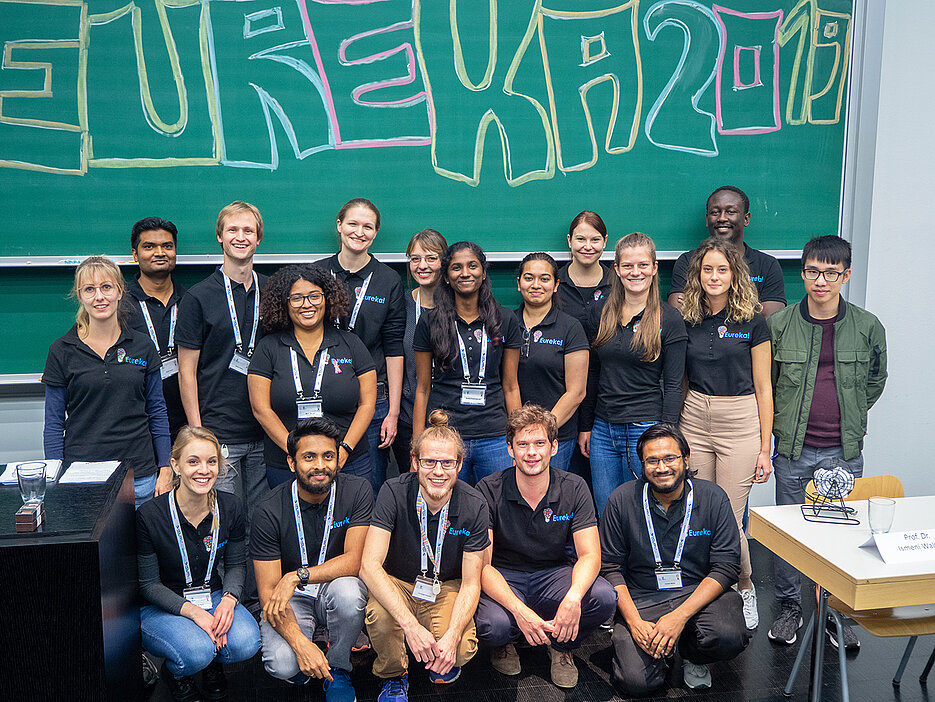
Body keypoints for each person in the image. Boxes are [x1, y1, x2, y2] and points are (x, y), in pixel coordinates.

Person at [767, 235, 887, 651]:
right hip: (793, 449)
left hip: (843, 450)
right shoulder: (779, 324)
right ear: (802, 274)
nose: (821, 281)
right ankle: (788, 609)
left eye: (831, 273)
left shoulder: (867, 325)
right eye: (813, 271)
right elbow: (768, 382)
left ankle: (833, 612)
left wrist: (851, 416)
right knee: (791, 533)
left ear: (846, 276)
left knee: (840, 536)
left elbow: (876, 379)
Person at [600, 423, 750, 696]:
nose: (662, 467)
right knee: (636, 683)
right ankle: (655, 651)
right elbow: (609, 568)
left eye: (670, 458)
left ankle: (693, 655)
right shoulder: (621, 500)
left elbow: (727, 566)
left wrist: (678, 617)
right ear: (642, 465)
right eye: (652, 460)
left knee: (728, 636)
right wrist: (634, 623)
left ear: (686, 459)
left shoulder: (713, 497)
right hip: (643, 597)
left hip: (698, 591)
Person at [475, 405, 616, 688]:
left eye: (539, 443)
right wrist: (519, 610)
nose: (531, 452)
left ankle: (560, 647)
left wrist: (574, 597)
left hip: (554, 575)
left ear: (553, 447)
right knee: (493, 625)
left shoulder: (574, 487)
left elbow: (590, 554)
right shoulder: (488, 489)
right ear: (509, 449)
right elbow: (482, 565)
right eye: (522, 444)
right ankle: (506, 643)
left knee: (604, 597)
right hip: (506, 577)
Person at [360, 411, 489, 702]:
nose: (438, 472)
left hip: (446, 586)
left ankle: (438, 654)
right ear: (415, 462)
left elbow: (471, 583)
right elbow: (369, 566)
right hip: (399, 582)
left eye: (447, 463)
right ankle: (394, 675)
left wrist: (453, 634)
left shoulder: (475, 505)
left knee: (460, 649)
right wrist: (410, 625)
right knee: (380, 618)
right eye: (429, 462)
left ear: (459, 465)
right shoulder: (393, 491)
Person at [677, 238, 773, 630]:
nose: (714, 277)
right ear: (697, 275)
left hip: (740, 421)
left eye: (722, 269)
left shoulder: (753, 320)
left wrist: (765, 448)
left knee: (730, 519)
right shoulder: (686, 319)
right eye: (707, 270)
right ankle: (705, 593)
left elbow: (765, 387)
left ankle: (745, 585)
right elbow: (682, 379)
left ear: (734, 275)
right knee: (697, 510)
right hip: (695, 417)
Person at [251, 418, 372, 702]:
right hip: (291, 599)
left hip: (329, 586)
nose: (320, 465)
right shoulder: (268, 510)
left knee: (350, 592)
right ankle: (311, 653)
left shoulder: (357, 491)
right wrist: (300, 644)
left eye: (328, 456)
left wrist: (297, 575)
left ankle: (339, 667)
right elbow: (269, 593)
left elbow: (354, 561)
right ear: (292, 464)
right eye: (309, 457)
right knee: (283, 664)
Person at [137, 426, 261, 702]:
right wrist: (194, 613)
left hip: (213, 594)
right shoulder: (149, 515)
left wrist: (229, 599)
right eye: (193, 461)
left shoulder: (231, 507)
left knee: (247, 643)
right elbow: (148, 585)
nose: (203, 470)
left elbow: (236, 565)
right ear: (175, 465)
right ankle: (178, 674)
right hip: (163, 604)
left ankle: (210, 664)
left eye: (211, 461)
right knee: (196, 651)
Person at [42, 255, 171, 508]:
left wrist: (165, 467)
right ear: (79, 296)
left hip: (141, 477)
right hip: (83, 478)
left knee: (143, 548)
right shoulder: (61, 350)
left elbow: (157, 410)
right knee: (91, 550)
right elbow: (54, 423)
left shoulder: (142, 346)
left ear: (120, 291)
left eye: (106, 287)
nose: (99, 297)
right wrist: (54, 474)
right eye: (89, 289)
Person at [579, 233, 687, 516]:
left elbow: (674, 385)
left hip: (646, 427)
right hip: (603, 430)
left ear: (654, 268)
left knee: (642, 512)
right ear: (616, 269)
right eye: (627, 266)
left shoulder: (670, 319)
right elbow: (592, 373)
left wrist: (666, 435)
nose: (635, 272)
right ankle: (612, 563)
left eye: (642, 265)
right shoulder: (599, 312)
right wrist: (586, 425)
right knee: (606, 510)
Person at [176, 201, 269, 532]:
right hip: (218, 434)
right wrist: (199, 435)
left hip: (265, 431)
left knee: (263, 526)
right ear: (219, 236)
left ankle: (264, 587)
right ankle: (228, 586)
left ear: (259, 238)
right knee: (222, 526)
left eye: (248, 230)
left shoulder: (272, 291)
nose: (240, 237)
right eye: (233, 230)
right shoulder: (198, 297)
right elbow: (186, 372)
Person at [248, 264, 377, 487]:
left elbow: (367, 404)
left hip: (349, 461)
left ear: (327, 298)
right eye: (296, 298)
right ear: (284, 304)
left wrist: (344, 449)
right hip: (287, 463)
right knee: (291, 521)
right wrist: (295, 452)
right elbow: (261, 409)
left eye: (314, 296)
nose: (307, 305)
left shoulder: (351, 343)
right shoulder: (268, 348)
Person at [413, 241, 523, 484]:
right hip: (445, 436)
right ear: (447, 277)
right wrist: (418, 445)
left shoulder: (505, 319)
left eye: (472, 266)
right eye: (456, 268)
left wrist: (517, 440)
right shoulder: (429, 322)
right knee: (447, 509)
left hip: (494, 435)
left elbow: (511, 386)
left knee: (497, 508)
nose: (465, 273)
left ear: (483, 273)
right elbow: (422, 388)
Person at [319, 198, 405, 496]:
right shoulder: (314, 274)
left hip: (372, 402)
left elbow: (394, 348)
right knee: (321, 484)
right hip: (322, 398)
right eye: (353, 224)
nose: (359, 232)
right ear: (339, 226)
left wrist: (392, 412)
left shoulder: (389, 280)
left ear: (376, 232)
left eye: (367, 226)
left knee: (368, 488)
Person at [514, 253, 589, 471]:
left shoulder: (570, 327)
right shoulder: (505, 323)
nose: (536, 285)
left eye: (544, 279)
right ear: (518, 284)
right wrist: (520, 432)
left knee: (552, 500)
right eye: (528, 278)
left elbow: (577, 392)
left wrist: (541, 432)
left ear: (556, 285)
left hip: (556, 437)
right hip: (512, 435)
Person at [668, 186, 786, 318]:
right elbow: (678, 316)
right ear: (707, 219)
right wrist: (749, 308)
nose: (722, 218)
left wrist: (698, 304)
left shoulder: (767, 265)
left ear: (746, 219)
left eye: (731, 212)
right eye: (715, 212)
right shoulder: (687, 262)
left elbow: (769, 319)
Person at [125, 216, 188, 442]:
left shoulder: (193, 300)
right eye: (149, 246)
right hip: (138, 424)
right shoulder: (119, 305)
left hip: (189, 423)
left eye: (167, 246)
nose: (160, 252)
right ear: (135, 254)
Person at [392, 228, 449, 475]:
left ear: (444, 262)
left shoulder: (460, 306)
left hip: (453, 416)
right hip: (409, 416)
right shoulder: (402, 305)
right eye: (415, 259)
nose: (422, 266)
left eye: (431, 258)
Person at [556, 210, 614, 326]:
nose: (588, 247)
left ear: (605, 241)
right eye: (581, 239)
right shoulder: (553, 284)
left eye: (595, 240)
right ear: (569, 240)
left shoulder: (618, 283)